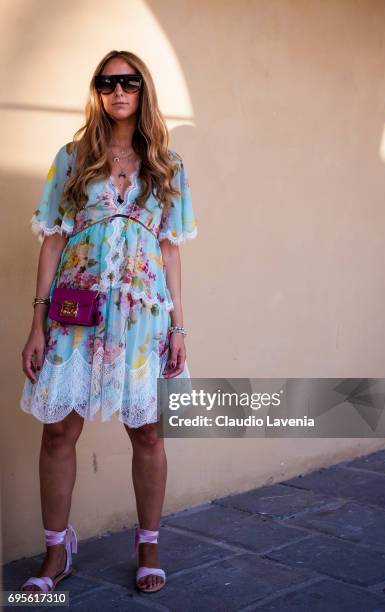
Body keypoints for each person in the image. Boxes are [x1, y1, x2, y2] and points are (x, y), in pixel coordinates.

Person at [19, 49, 198, 594]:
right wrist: (38, 319)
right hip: (77, 311)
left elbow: (170, 251)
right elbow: (53, 239)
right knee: (58, 431)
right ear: (97, 91)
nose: (118, 90)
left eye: (129, 81)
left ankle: (148, 545)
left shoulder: (168, 164)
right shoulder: (73, 158)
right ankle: (57, 551)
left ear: (143, 91)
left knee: (147, 431)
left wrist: (179, 327)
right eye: (107, 82)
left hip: (143, 318)